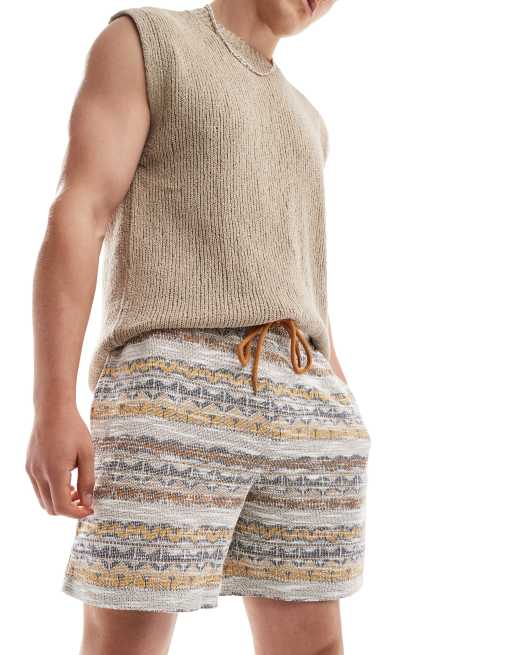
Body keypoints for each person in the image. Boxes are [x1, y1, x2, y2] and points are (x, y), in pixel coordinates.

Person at [26, 1, 371, 653]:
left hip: (307, 399)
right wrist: (53, 402)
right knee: (123, 642)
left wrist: (340, 406)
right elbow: (81, 210)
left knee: (314, 647)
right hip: (172, 391)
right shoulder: (146, 42)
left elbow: (302, 279)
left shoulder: (306, 118)